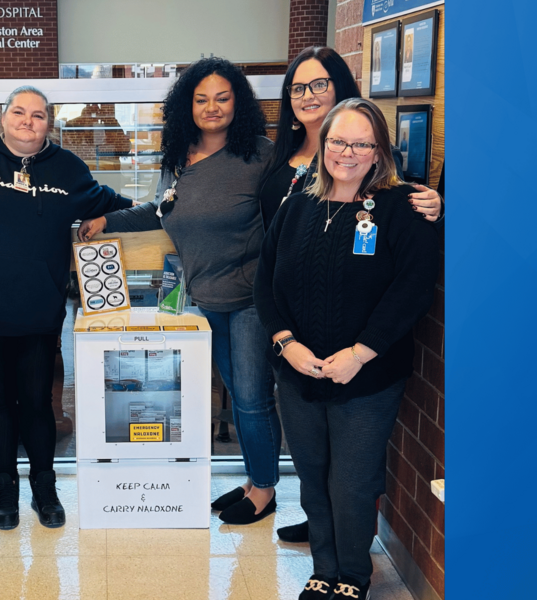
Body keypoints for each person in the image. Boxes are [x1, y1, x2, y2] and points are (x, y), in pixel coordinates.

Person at [79, 57, 281, 525]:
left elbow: (285, 222)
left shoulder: (260, 154)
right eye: (201, 98)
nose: (212, 107)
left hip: (252, 298)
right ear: (187, 106)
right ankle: (255, 478)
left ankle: (265, 489)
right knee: (236, 389)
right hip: (205, 296)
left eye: (223, 97)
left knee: (252, 398)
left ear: (240, 102)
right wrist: (107, 220)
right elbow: (160, 209)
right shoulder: (180, 155)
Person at [256, 45, 443, 543]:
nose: (346, 153)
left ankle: (350, 567)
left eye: (361, 145)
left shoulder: (399, 204)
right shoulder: (292, 189)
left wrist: (360, 354)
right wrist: (286, 343)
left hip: (365, 368)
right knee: (313, 473)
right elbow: (268, 276)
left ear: (379, 150)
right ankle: (325, 557)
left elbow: (411, 286)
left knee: (353, 479)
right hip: (297, 362)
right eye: (298, 87)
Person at [0, 86, 134, 530]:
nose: (28, 121)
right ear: (2, 117)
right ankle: (5, 490)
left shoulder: (67, 168)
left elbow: (119, 205)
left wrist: (111, 220)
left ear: (50, 122)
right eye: (19, 112)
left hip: (39, 312)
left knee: (36, 402)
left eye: (39, 114)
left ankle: (43, 489)